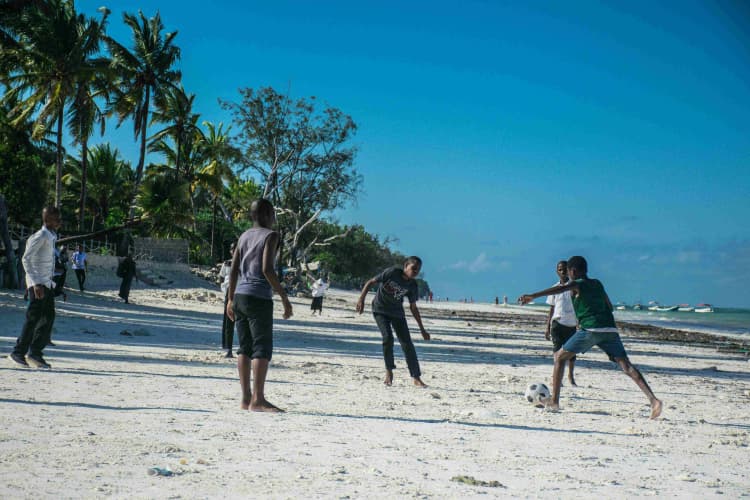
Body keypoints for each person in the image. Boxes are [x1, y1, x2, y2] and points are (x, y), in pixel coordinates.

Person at [518, 256, 662, 419]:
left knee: (559, 357)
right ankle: (654, 401)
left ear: (572, 271)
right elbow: (609, 306)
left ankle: (555, 401)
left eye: (568, 271)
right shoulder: (597, 283)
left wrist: (532, 296)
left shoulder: (576, 283)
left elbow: (558, 290)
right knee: (626, 365)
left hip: (591, 329)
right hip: (610, 329)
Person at [226, 199, 293, 412]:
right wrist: (283, 297)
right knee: (261, 347)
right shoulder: (270, 236)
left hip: (239, 296)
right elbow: (267, 269)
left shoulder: (243, 236)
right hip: (258, 298)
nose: (274, 218)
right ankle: (259, 399)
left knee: (244, 347)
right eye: (273, 214)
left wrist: (229, 299)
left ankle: (246, 398)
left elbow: (234, 268)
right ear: (266, 214)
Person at [356, 256, 431, 387]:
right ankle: (389, 371)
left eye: (418, 270)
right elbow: (370, 282)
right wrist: (361, 300)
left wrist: (422, 329)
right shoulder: (392, 273)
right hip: (380, 310)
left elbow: (413, 308)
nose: (415, 272)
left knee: (407, 344)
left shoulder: (412, 285)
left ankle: (416, 377)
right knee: (387, 337)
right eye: (413, 268)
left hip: (397, 313)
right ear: (406, 266)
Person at [8, 206, 62, 369]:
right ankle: (18, 352)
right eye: (56, 217)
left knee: (48, 318)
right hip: (38, 285)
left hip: (47, 284)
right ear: (48, 218)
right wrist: (35, 283)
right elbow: (26, 259)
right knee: (33, 319)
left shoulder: (51, 236)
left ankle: (35, 354)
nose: (60, 220)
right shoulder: (40, 236)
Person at [545, 260, 578, 386]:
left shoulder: (574, 287)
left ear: (569, 270)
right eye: (560, 269)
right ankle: (557, 376)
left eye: (565, 269)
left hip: (571, 324)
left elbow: (579, 305)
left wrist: (579, 322)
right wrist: (547, 327)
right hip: (557, 323)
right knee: (557, 351)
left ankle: (570, 375)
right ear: (557, 271)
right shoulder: (554, 288)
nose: (562, 271)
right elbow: (552, 308)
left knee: (571, 352)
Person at [219, 242, 237, 358]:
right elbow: (221, 277)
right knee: (228, 322)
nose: (233, 251)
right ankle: (228, 348)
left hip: (241, 291)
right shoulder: (227, 264)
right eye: (232, 249)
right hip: (229, 292)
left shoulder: (245, 263)